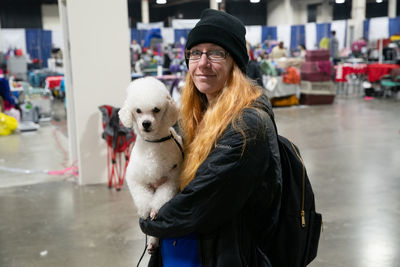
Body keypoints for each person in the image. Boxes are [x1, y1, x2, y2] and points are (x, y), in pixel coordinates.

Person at [140, 9, 282, 267]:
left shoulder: (247, 126)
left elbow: (198, 203)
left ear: (235, 63)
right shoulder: (195, 114)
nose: (202, 63)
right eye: (196, 52)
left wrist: (148, 220)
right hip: (188, 249)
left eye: (216, 52)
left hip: (224, 254)